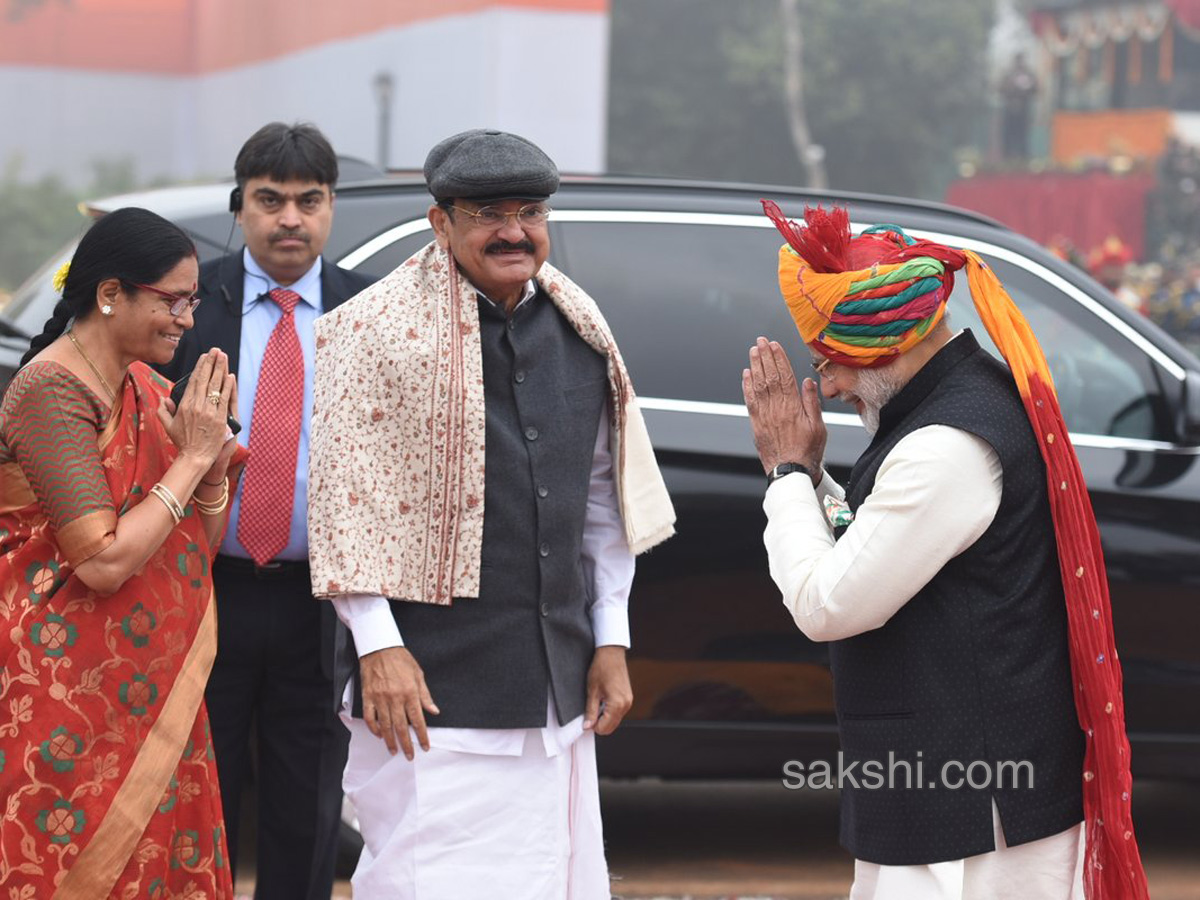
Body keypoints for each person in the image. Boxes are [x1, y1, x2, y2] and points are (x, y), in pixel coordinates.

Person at [306, 128, 676, 899]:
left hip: (556, 679)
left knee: (547, 875)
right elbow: (346, 500)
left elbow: (601, 500)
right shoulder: (370, 331)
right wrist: (378, 647)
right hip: (429, 686)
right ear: (441, 223)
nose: (514, 231)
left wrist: (611, 639)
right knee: (429, 879)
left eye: (529, 210)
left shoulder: (580, 329)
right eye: (488, 213)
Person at [742, 203, 1150, 900]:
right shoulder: (954, 409)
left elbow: (826, 603)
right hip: (957, 788)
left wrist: (785, 474)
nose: (830, 386)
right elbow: (878, 540)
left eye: (829, 363)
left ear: (886, 346)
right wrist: (811, 479)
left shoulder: (946, 446)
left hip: (968, 809)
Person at [158, 122, 373, 899]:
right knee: (197, 797)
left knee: (307, 806)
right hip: (200, 591)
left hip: (323, 597)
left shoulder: (367, 310)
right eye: (270, 200)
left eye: (309, 201)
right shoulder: (187, 306)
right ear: (239, 207)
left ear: (331, 207)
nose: (291, 219)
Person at [0, 208, 241, 897]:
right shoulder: (50, 392)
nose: (188, 320)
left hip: (149, 689)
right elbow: (103, 563)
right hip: (61, 692)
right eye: (173, 301)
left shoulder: (147, 387)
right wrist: (192, 460)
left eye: (192, 301)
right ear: (111, 294)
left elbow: (195, 548)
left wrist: (212, 471)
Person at [999, 51, 1038, 161]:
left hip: (1023, 108)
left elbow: (1036, 89)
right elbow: (1000, 89)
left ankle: (1023, 157)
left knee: (1023, 134)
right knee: (1008, 134)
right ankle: (1007, 156)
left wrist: (1026, 89)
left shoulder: (1028, 74)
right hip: (1010, 108)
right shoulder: (1008, 74)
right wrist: (1011, 87)